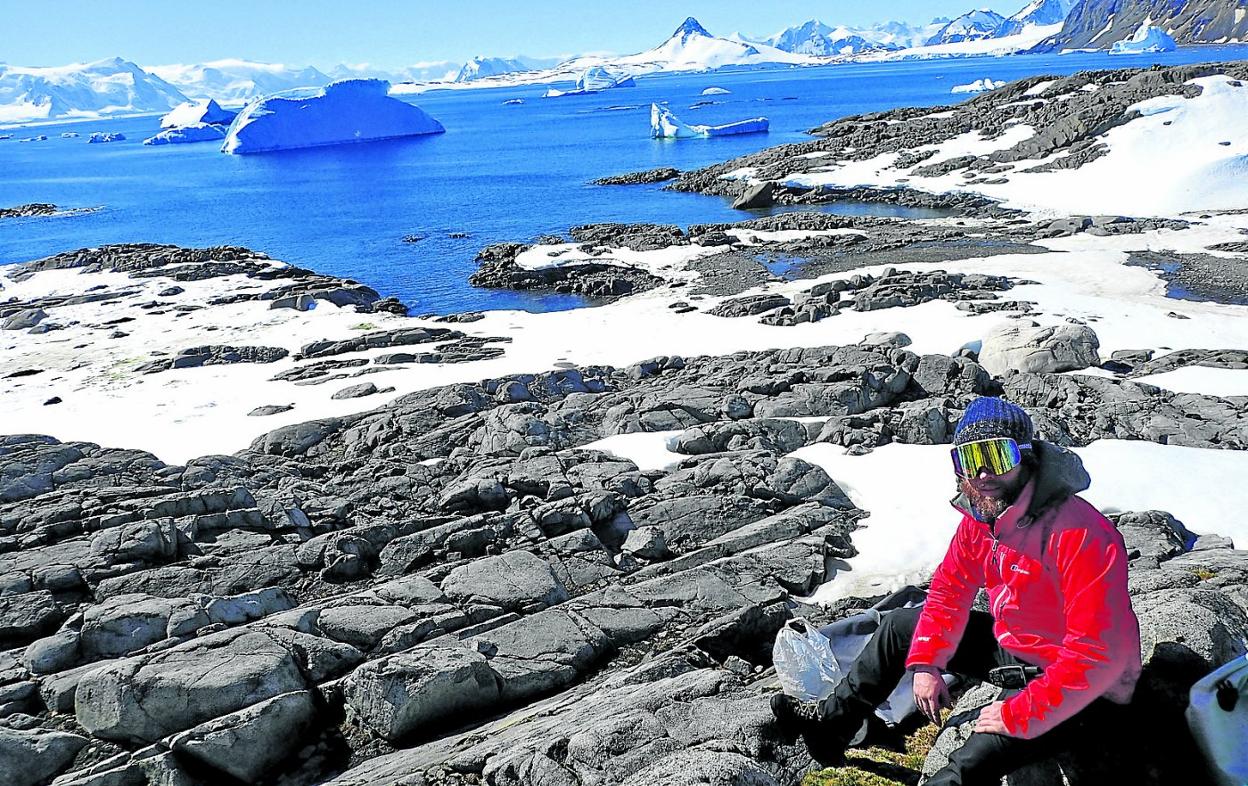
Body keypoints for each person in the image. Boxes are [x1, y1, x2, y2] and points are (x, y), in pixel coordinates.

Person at [772, 396, 1142, 785]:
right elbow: (949, 592)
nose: (982, 473)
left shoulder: (1081, 534)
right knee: (901, 626)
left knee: (966, 765)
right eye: (969, 458)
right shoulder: (984, 519)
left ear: (1027, 457)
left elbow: (1097, 656)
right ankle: (829, 727)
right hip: (1018, 647)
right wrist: (927, 663)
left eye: (997, 456)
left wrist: (1017, 713)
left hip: (1085, 688)